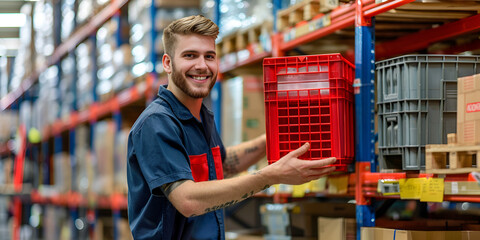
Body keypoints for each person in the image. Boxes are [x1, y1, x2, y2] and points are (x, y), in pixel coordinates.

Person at [127, 15, 337, 240]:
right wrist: (272, 176)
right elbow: (188, 200)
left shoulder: (198, 116)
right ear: (168, 63)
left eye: (209, 56)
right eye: (190, 56)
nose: (202, 65)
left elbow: (220, 166)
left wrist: (276, 138)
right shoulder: (157, 123)